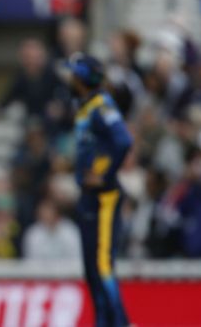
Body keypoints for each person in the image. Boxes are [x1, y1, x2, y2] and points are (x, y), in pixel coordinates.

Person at [62, 53, 133, 327]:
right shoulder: (86, 106)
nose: (70, 80)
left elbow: (123, 140)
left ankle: (121, 322)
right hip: (90, 198)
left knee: (103, 265)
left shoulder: (102, 105)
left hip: (104, 197)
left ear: (81, 79)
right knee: (91, 269)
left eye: (73, 75)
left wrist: (102, 173)